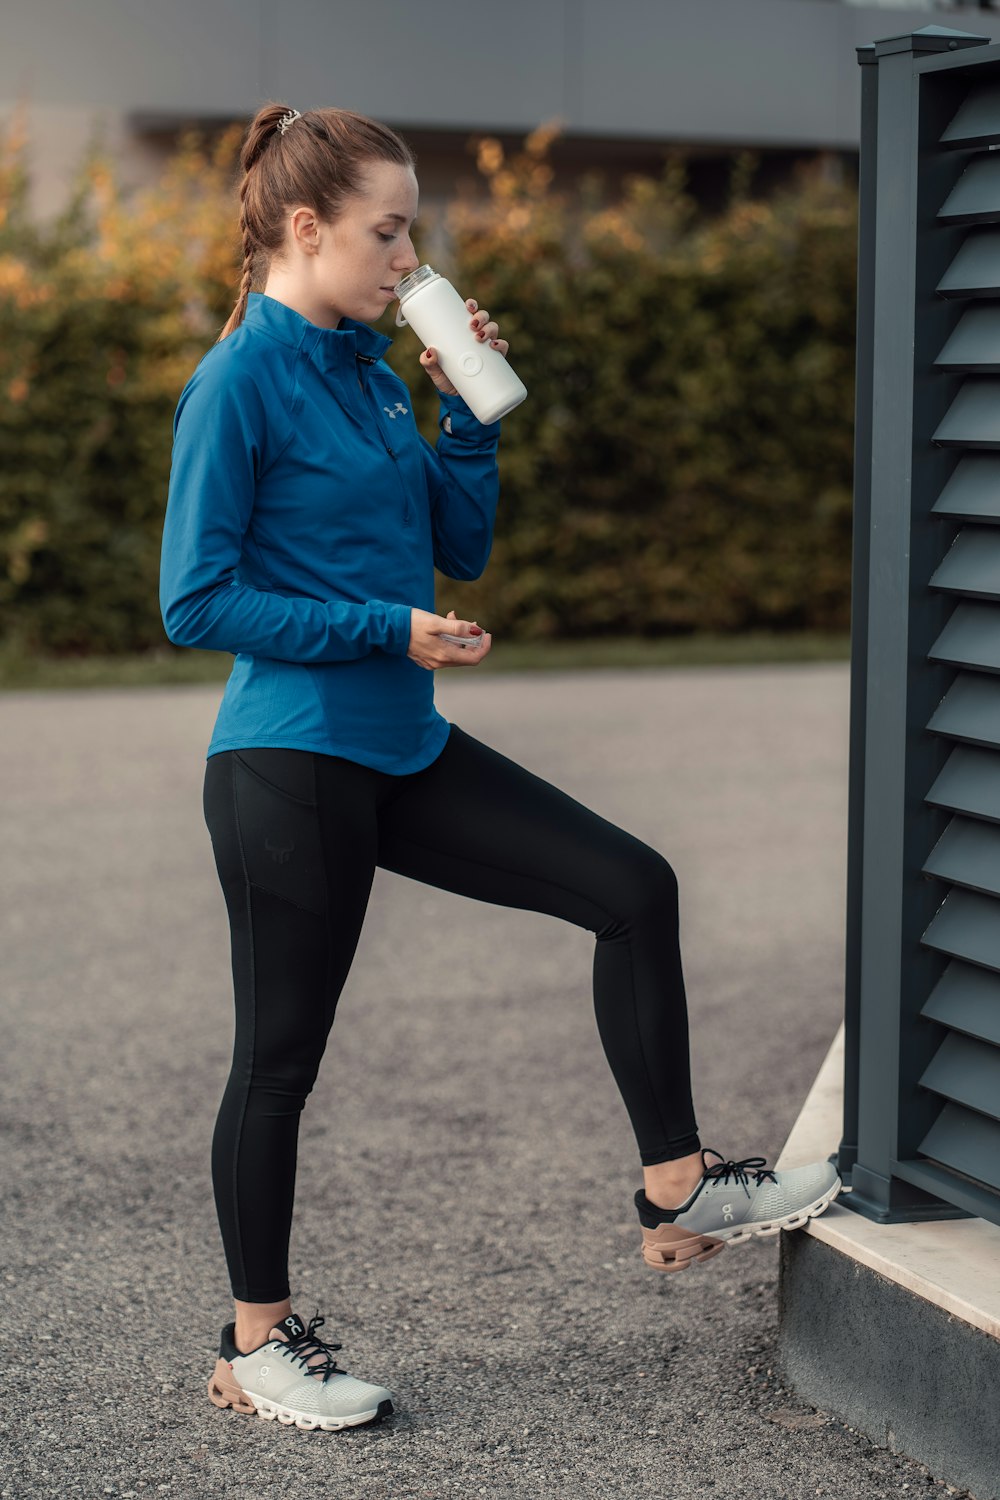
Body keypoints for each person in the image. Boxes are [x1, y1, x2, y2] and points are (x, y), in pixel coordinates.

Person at [158, 101, 841, 1436]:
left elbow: (454, 545)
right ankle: (257, 1346)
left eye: (411, 229)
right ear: (305, 228)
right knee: (279, 1063)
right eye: (387, 230)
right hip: (287, 763)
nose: (409, 256)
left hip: (400, 749)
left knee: (631, 887)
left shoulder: (367, 363)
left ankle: (679, 1189)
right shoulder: (239, 380)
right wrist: (382, 629)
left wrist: (470, 412)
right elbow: (195, 601)